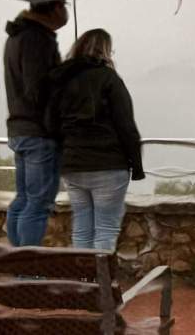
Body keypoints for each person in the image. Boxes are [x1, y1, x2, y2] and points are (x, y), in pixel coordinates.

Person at [45, 28, 145, 251]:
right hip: (108, 164)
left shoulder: (61, 80)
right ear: (106, 50)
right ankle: (101, 274)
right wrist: (137, 166)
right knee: (106, 230)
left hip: (72, 165)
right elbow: (126, 125)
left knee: (81, 229)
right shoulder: (109, 79)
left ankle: (82, 273)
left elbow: (51, 124)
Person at [4, 0, 68, 246]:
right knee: (38, 204)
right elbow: (38, 89)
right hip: (40, 132)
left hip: (20, 129)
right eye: (64, 5)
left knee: (23, 199)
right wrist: (63, 77)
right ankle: (27, 265)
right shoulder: (37, 39)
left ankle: (15, 260)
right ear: (55, 8)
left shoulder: (17, 36)